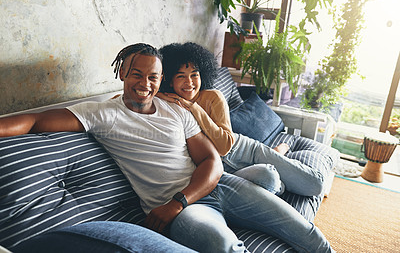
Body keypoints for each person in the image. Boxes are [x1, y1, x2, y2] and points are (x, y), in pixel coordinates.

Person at [0, 43, 334, 253]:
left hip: (216, 188)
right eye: (136, 74)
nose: (145, 83)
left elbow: (211, 161)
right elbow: (34, 121)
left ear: (161, 80)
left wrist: (179, 200)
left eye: (154, 76)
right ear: (122, 73)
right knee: (221, 244)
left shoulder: (176, 109)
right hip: (188, 211)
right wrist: (178, 205)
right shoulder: (102, 113)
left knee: (301, 231)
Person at [158, 42, 325, 197]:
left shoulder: (212, 97)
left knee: (314, 185)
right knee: (269, 178)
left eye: (194, 75)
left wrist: (194, 108)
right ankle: (277, 168)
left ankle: (277, 153)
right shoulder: (167, 100)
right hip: (224, 170)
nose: (189, 82)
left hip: (247, 151)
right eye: (181, 76)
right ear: (169, 81)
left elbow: (224, 146)